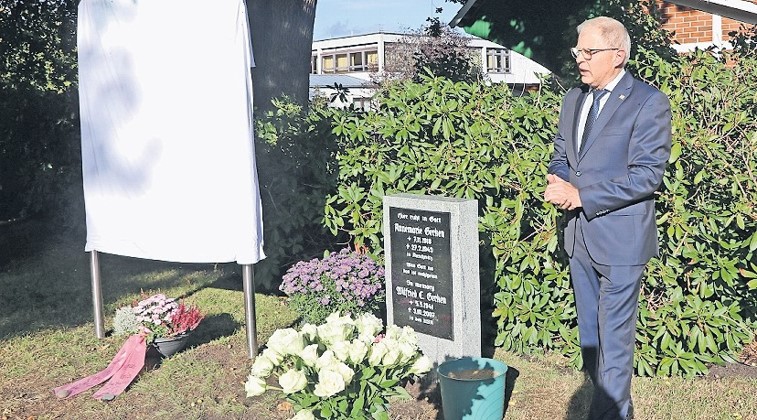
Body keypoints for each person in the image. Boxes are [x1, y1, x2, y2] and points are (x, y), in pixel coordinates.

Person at [543, 16, 672, 420]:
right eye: (577, 51)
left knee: (613, 343)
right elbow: (562, 154)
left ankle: (610, 414)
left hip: (620, 242)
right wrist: (557, 178)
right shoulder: (573, 99)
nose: (580, 59)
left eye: (588, 51)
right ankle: (612, 409)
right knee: (591, 339)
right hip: (579, 240)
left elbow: (648, 175)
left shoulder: (648, 102)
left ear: (617, 56)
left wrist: (581, 196)